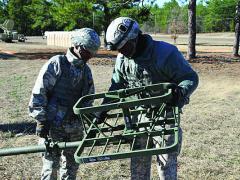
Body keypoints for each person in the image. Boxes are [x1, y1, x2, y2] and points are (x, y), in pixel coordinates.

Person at [97, 17, 199, 180]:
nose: (121, 51)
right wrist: (103, 109)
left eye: (123, 46)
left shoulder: (165, 53)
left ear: (134, 38)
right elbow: (117, 86)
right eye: (118, 48)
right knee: (138, 167)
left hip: (165, 117)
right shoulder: (122, 59)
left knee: (166, 168)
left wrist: (180, 92)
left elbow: (190, 77)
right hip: (137, 118)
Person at [28, 28, 100, 180]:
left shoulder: (86, 71)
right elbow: (39, 92)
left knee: (71, 168)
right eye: (88, 52)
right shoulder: (57, 64)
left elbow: (88, 99)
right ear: (78, 46)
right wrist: (41, 121)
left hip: (75, 128)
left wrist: (89, 122)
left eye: (92, 53)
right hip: (53, 125)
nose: (90, 56)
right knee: (50, 168)